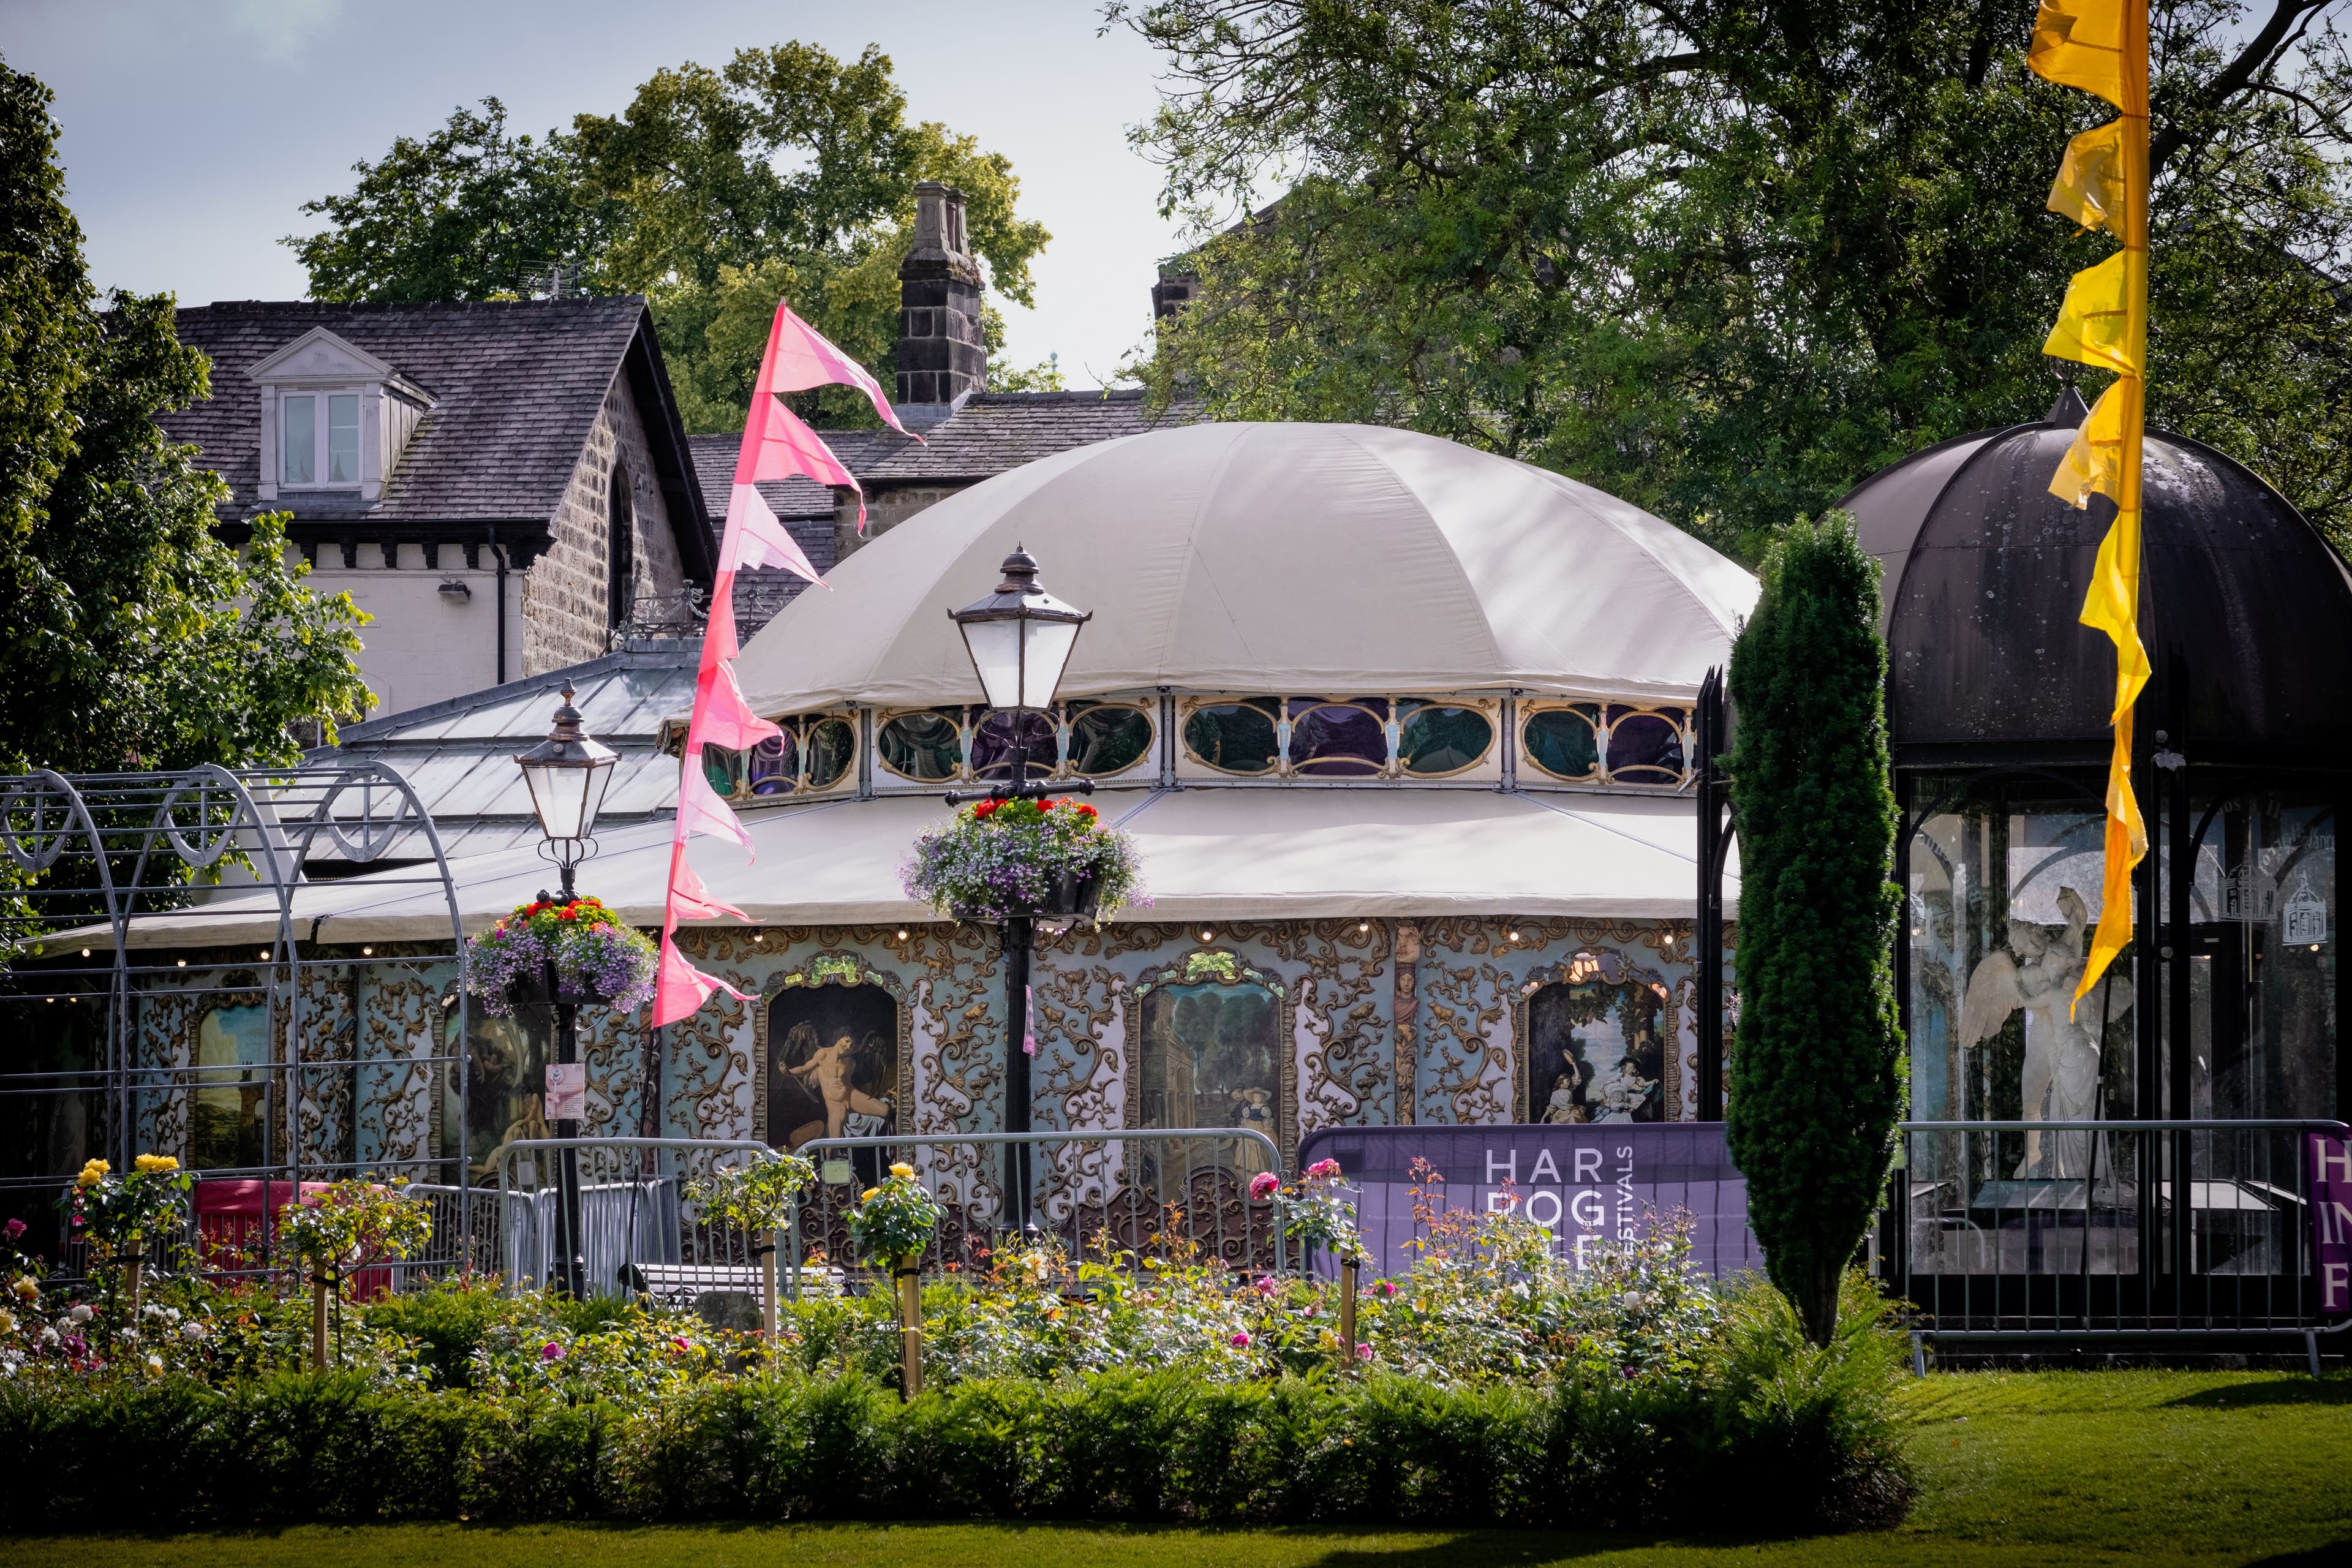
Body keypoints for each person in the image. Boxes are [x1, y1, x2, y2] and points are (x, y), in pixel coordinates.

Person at [789, 1030, 895, 1140]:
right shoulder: (823, 1054)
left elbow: (850, 1080)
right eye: (847, 1041)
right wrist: (789, 1072)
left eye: (852, 1045)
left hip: (850, 1095)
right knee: (834, 1142)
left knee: (885, 1110)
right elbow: (805, 1068)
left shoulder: (850, 1061)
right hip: (835, 1103)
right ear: (839, 1038)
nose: (848, 1046)